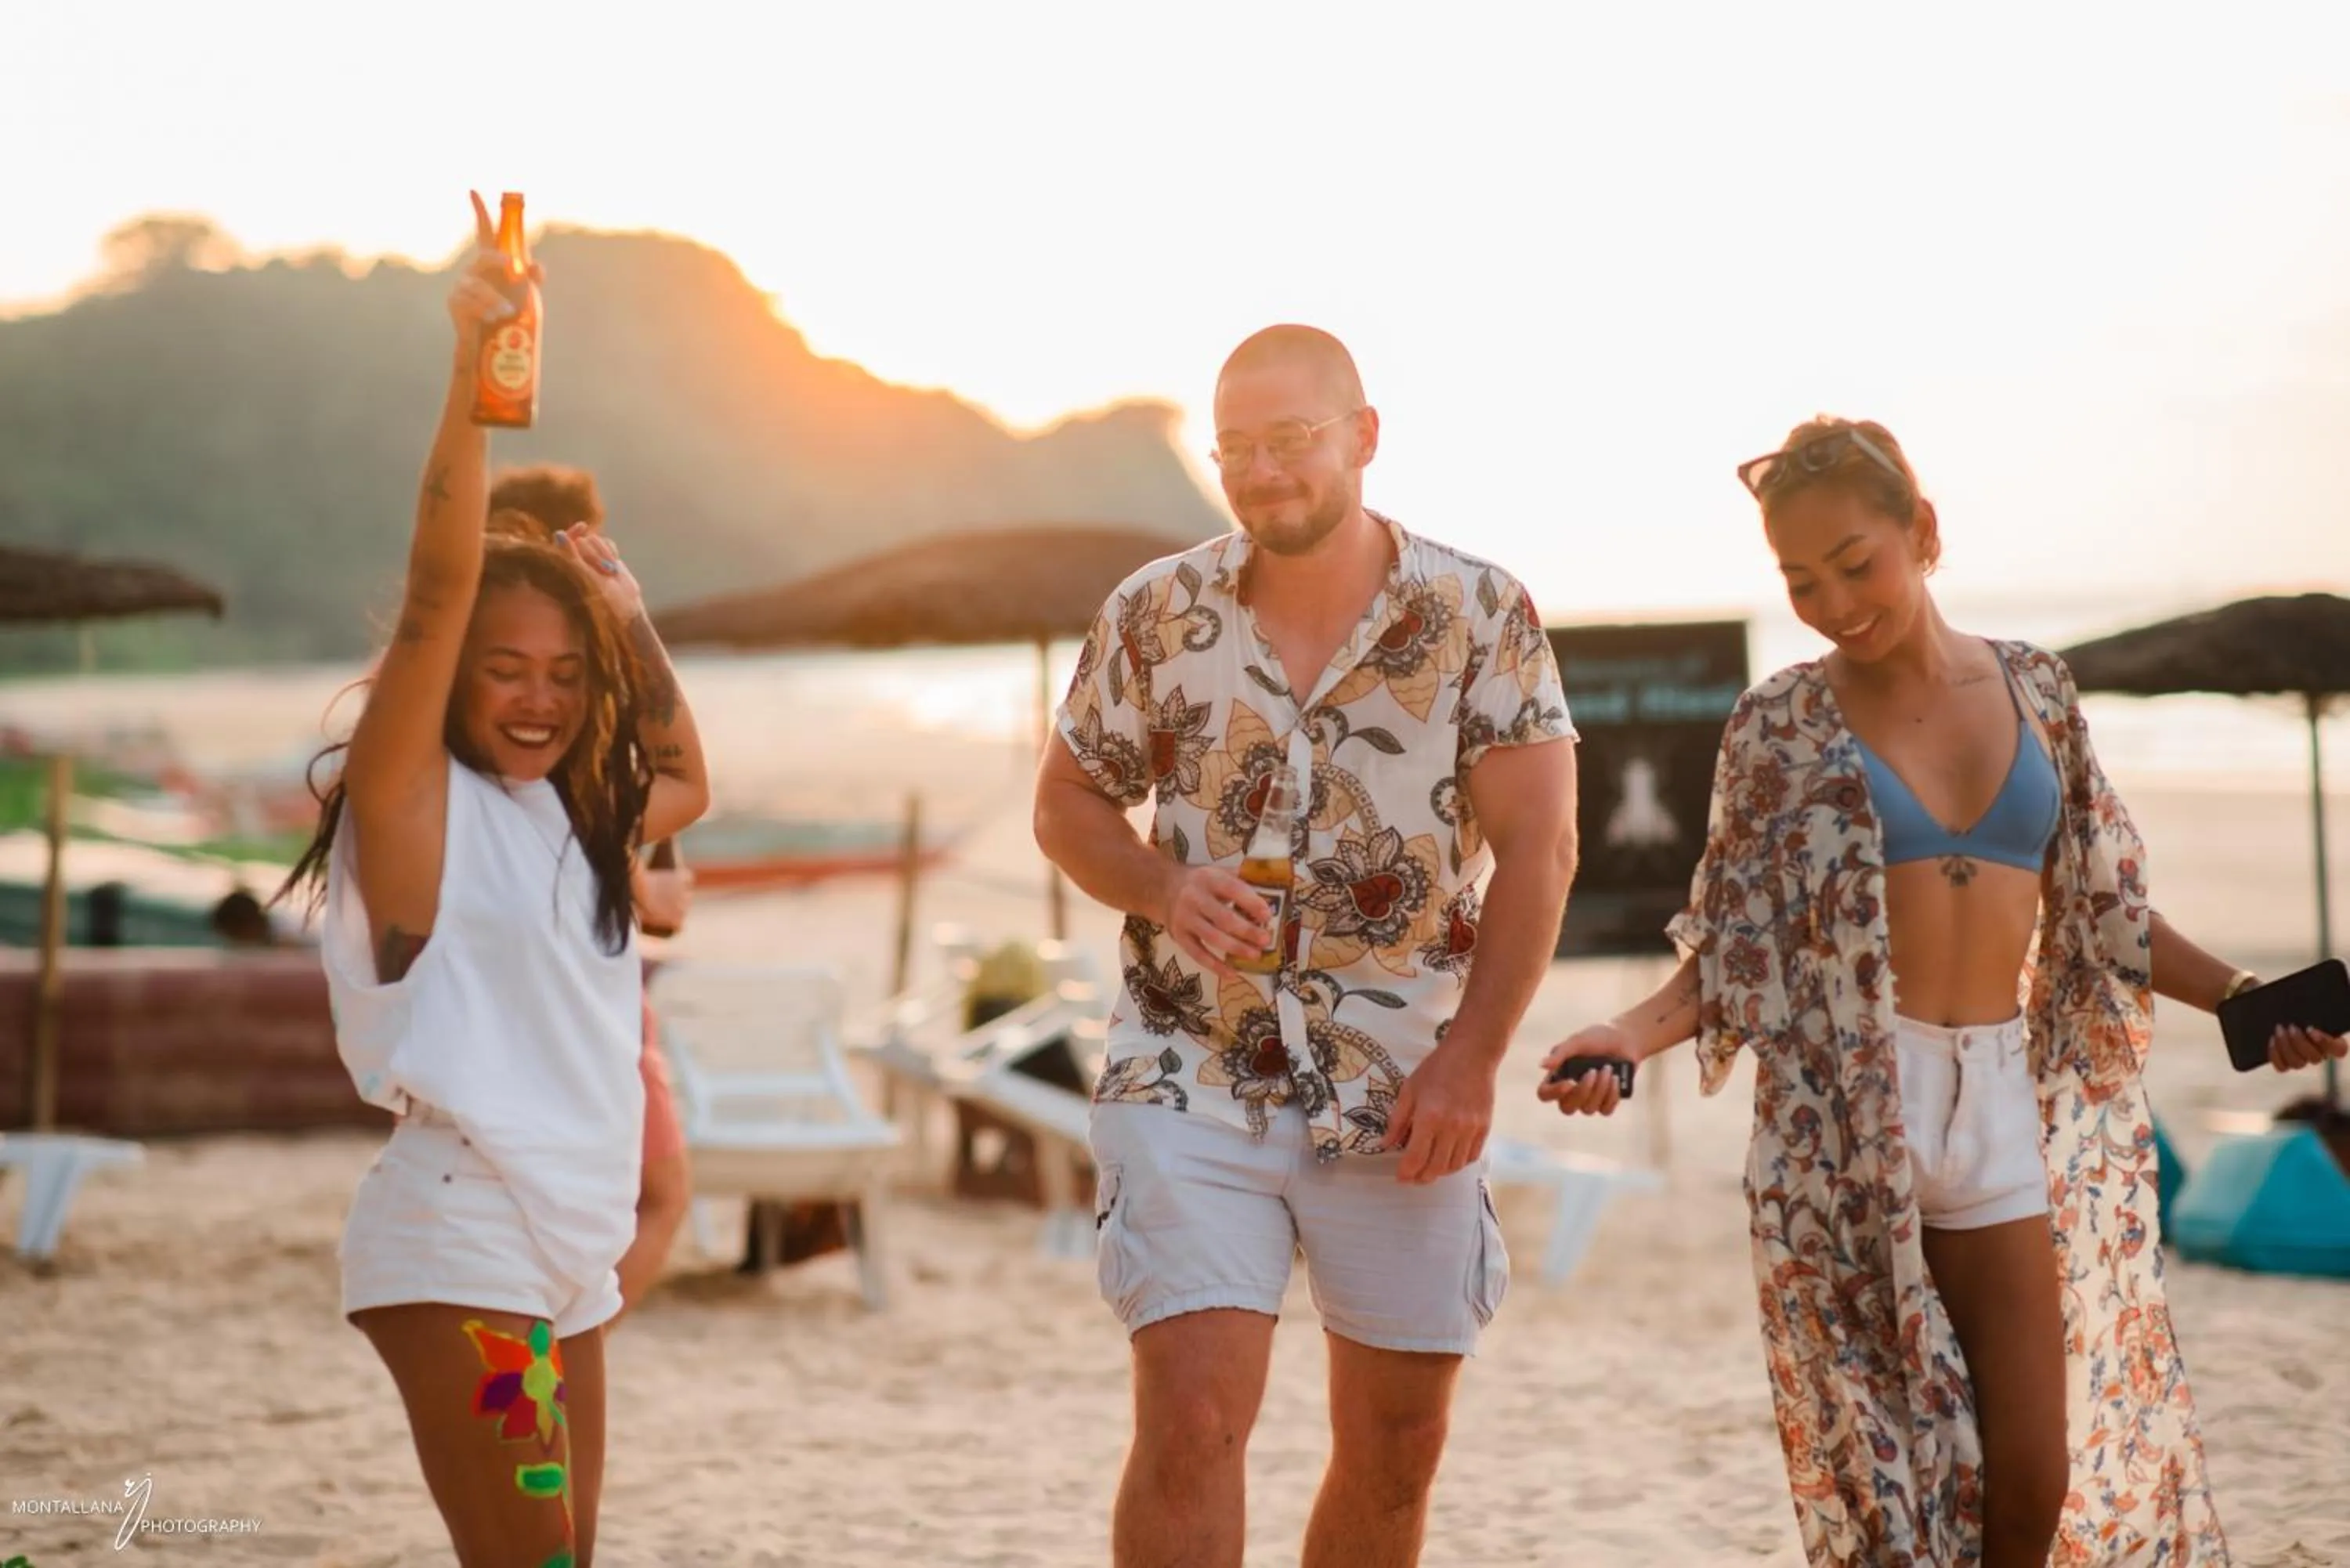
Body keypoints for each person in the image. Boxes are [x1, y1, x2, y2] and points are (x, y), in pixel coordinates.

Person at [1539, 416, 2349, 1568]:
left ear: (1923, 532)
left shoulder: (2037, 689)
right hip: (1848, 1121)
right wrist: (1623, 1032)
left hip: (1999, 1094)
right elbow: (1734, 949)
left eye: (1854, 564)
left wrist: (2243, 996)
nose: (1832, 601)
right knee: (1897, 1478)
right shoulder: (1779, 723)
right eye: (1800, 581)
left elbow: (2105, 909)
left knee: (2032, 1471)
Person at [1035, 324, 1579, 1568]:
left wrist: (1474, 1058)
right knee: (1193, 1417)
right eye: (1237, 448)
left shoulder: (1480, 611)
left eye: (1291, 441)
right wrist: (1163, 884)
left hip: (1405, 1086)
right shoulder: (1154, 612)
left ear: (1363, 436)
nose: (1263, 471)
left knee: (1396, 1448)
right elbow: (1065, 803)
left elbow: (1542, 851)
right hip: (1190, 1065)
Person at [277, 194, 711, 1568]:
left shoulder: (574, 820)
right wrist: (476, 380)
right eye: (506, 669)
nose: (539, 700)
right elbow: (432, 589)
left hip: (567, 1266)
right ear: (454, 678)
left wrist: (631, 629)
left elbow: (688, 768)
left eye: (565, 678)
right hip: (464, 1251)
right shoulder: (417, 811)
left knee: (561, 1559)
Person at [483, 466, 697, 1315]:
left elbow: (638, 839)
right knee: (648, 1198)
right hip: (571, 1007)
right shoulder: (570, 692)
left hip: (569, 999)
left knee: (607, 1209)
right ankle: (564, 1356)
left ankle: (559, 1356)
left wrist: (644, 881)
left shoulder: (532, 695)